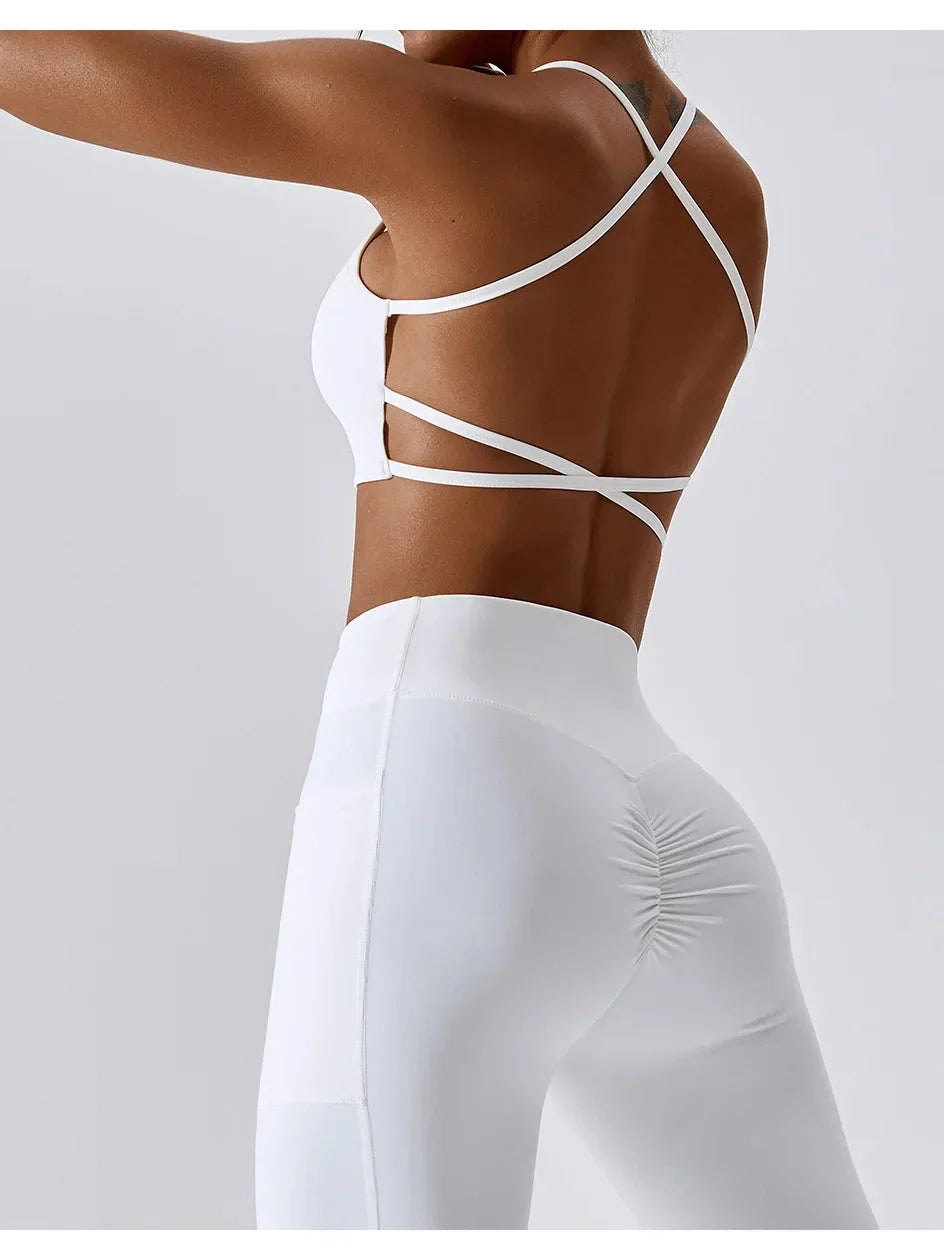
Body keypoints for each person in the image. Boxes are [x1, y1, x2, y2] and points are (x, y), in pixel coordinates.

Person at [1, 29, 878, 1230]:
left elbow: (66, 71)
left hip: (448, 795)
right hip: (676, 822)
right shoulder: (728, 199)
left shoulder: (449, 133)